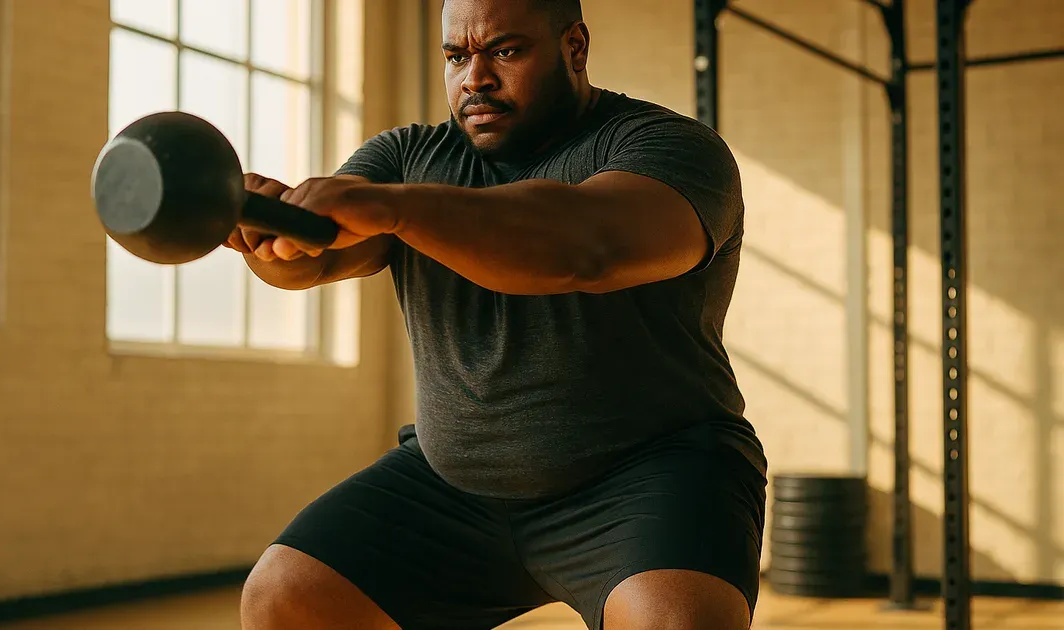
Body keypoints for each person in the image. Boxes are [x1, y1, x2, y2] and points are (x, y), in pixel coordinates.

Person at [228, 0, 766, 628]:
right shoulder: (408, 158)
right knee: (286, 598)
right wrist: (269, 234)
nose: (474, 78)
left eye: (504, 51)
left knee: (676, 624)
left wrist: (390, 208)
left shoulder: (668, 148)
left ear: (575, 47)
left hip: (646, 474)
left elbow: (581, 248)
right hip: (454, 483)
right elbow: (315, 262)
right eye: (456, 56)